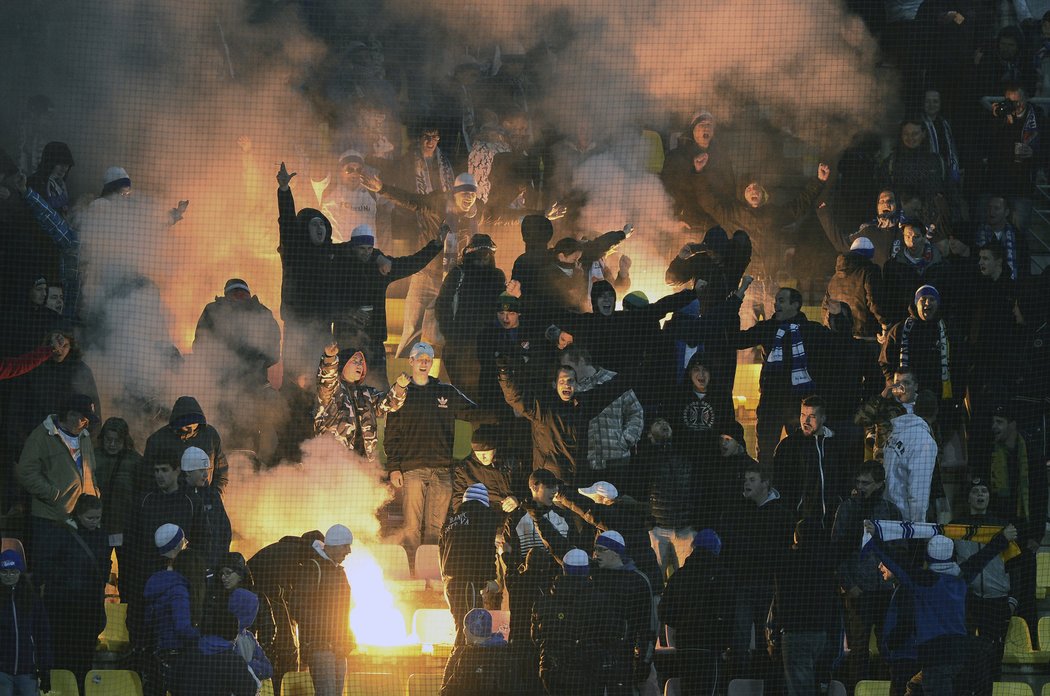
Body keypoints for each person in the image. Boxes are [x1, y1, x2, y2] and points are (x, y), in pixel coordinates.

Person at [863, 520, 1017, 696]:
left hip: (935, 658)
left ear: (928, 557)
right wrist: (1003, 539)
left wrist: (874, 537)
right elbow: (982, 557)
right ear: (952, 555)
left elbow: (895, 562)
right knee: (914, 687)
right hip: (961, 656)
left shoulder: (920, 580)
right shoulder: (961, 577)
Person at [384, 342, 487, 562]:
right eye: (419, 358)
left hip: (442, 470)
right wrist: (394, 468)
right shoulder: (400, 393)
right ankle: (412, 567)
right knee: (411, 526)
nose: (423, 362)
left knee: (437, 526)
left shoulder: (445, 392)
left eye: (428, 359)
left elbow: (474, 412)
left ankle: (433, 568)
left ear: (432, 363)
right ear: (410, 361)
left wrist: (504, 415)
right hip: (411, 470)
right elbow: (391, 435)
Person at [732, 287, 848, 465]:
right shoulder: (767, 328)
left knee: (801, 453)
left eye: (781, 300)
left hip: (800, 405)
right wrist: (734, 304)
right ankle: (767, 490)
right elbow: (737, 340)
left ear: (795, 305)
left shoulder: (811, 330)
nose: (775, 303)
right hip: (771, 402)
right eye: (776, 300)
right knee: (765, 453)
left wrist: (838, 316)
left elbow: (841, 341)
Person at [830, 462, 902, 688]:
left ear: (880, 484)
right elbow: (835, 550)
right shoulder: (847, 509)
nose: (861, 488)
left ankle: (887, 689)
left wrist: (895, 578)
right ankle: (858, 689)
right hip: (859, 591)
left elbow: (901, 548)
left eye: (866, 483)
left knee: (888, 644)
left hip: (885, 590)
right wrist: (849, 585)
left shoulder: (890, 510)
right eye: (858, 482)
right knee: (859, 647)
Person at [720, 463, 794, 681]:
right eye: (745, 479)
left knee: (767, 638)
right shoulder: (735, 512)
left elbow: (780, 553)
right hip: (742, 585)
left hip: (769, 586)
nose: (746, 483)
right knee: (739, 638)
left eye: (752, 479)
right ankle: (739, 682)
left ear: (765, 483)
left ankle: (767, 682)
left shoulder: (781, 515)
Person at [16, 393, 100, 566]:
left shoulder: (84, 437)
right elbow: (25, 472)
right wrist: (53, 494)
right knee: (50, 572)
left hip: (81, 520)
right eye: (83, 418)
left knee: (76, 572)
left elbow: (91, 471)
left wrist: (94, 494)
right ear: (70, 415)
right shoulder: (41, 436)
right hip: (50, 522)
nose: (86, 423)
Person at [987, 404, 1045, 645]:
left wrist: (1036, 535)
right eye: (993, 422)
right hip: (1001, 536)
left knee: (1026, 595)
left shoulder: (1031, 454)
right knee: (1002, 594)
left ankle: (1028, 642)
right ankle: (1002, 641)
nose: (994, 427)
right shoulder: (991, 453)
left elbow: (1041, 495)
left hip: (1026, 534)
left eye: (999, 422)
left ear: (1012, 424)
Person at [39, 494, 109, 693]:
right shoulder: (61, 533)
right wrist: (71, 580)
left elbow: (105, 562)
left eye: (98, 518)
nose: (95, 522)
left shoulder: (99, 535)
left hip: (87, 610)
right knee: (63, 658)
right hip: (64, 610)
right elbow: (46, 566)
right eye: (90, 518)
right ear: (78, 514)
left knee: (83, 661)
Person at [275, 161, 335, 380]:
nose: (319, 228)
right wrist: (284, 190)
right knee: (294, 384)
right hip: (297, 330)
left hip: (323, 332)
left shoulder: (332, 255)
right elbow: (288, 223)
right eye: (313, 225)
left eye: (322, 225)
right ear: (304, 230)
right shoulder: (294, 252)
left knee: (323, 384)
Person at [952, 479, 1013, 694]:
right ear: (968, 497)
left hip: (997, 600)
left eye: (984, 491)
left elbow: (1016, 566)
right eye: (975, 491)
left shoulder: (1003, 527)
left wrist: (1012, 600)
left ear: (989, 496)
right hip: (968, 599)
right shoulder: (956, 527)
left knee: (995, 651)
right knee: (966, 651)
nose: (980, 494)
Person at [558, 347, 645, 497]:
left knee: (615, 509)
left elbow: (635, 412)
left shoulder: (613, 380)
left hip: (616, 461)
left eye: (568, 366)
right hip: (585, 465)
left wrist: (625, 440)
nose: (565, 371)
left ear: (580, 361)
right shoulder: (569, 389)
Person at [246, 531, 325, 694]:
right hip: (265, 603)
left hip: (256, 602)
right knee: (286, 646)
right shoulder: (292, 555)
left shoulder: (288, 549)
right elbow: (281, 593)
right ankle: (278, 688)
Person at [770, 518, 839, 696]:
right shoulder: (827, 563)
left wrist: (775, 633)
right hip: (821, 632)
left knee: (800, 689)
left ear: (796, 536)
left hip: (795, 632)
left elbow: (779, 600)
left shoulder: (785, 561)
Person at [659, 530, 732, 696]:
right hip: (711, 646)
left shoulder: (679, 576)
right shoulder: (722, 576)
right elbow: (728, 612)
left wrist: (682, 623)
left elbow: (664, 611)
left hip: (685, 645)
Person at [435, 233, 508, 399]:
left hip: (488, 345)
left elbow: (502, 307)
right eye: (480, 256)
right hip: (461, 345)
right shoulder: (458, 273)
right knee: (455, 392)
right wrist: (451, 335)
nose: (483, 260)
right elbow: (442, 305)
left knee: (485, 392)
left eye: (486, 256)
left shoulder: (497, 276)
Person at [314, 341, 409, 461]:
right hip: (332, 463)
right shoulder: (331, 390)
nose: (359, 365)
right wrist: (329, 358)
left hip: (362, 465)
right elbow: (326, 378)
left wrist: (400, 387)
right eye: (355, 361)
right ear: (343, 365)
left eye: (361, 362)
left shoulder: (367, 394)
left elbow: (390, 405)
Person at [590, 530, 657, 695]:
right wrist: (539, 518)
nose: (595, 553)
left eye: (601, 549)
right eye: (595, 549)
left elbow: (648, 625)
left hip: (624, 658)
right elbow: (561, 549)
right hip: (594, 658)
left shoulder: (638, 580)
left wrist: (644, 661)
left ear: (615, 552)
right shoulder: (594, 575)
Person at [290, 524, 355, 696]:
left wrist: (347, 637)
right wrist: (326, 635)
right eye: (345, 546)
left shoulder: (339, 571)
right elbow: (297, 607)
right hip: (321, 647)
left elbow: (343, 611)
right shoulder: (313, 568)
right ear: (333, 545)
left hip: (339, 647)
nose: (348, 551)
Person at [531, 549, 604, 696]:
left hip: (552, 671)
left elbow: (536, 637)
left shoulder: (544, 601)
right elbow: (610, 633)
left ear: (564, 569)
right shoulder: (598, 600)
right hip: (587, 671)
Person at [439, 483, 503, 644]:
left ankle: (458, 665)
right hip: (468, 582)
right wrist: (490, 578)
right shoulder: (484, 515)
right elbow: (486, 549)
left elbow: (441, 551)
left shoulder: (449, 521)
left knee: (461, 625)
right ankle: (461, 665)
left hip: (450, 582)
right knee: (471, 630)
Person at [143, 524, 201, 696]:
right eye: (183, 541)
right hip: (177, 654)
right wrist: (204, 634)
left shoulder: (156, 581)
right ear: (177, 546)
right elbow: (182, 627)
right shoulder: (178, 587)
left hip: (159, 651)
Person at [772, 395, 850, 524]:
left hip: (833, 522)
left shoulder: (836, 444)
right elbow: (779, 483)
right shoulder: (788, 445)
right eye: (803, 415)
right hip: (802, 522)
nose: (805, 421)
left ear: (823, 418)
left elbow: (845, 476)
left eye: (812, 416)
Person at [140, 395, 228, 495]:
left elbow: (221, 471)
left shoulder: (210, 435)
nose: (190, 429)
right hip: (172, 503)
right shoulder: (157, 440)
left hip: (204, 500)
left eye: (194, 424)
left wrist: (216, 496)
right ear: (176, 423)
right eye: (186, 426)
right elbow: (147, 477)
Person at [0, 549, 52, 696]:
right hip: (2, 671)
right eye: (4, 572)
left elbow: (42, 634)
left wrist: (45, 667)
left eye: (13, 571)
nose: (9, 576)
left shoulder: (32, 600)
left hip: (28, 671)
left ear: (20, 573)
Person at [881, 397, 939, 522]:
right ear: (936, 413)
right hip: (905, 521)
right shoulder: (924, 441)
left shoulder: (896, 433)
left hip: (887, 513)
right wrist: (918, 528)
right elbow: (918, 488)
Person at [180, 447, 231, 572]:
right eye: (201, 470)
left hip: (214, 566)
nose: (205, 474)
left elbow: (225, 530)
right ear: (188, 472)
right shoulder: (180, 498)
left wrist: (221, 561)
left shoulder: (212, 496)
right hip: (189, 570)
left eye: (207, 470)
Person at [440, 608, 510, 696]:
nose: (464, 631)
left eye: (466, 627)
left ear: (474, 630)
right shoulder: (503, 652)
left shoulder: (469, 655)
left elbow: (454, 687)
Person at [451, 426, 516, 512]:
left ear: (495, 449)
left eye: (485, 452)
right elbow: (458, 500)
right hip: (483, 517)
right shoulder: (465, 469)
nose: (482, 457)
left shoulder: (510, 461)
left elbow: (527, 486)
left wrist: (517, 499)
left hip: (514, 513)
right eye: (478, 453)